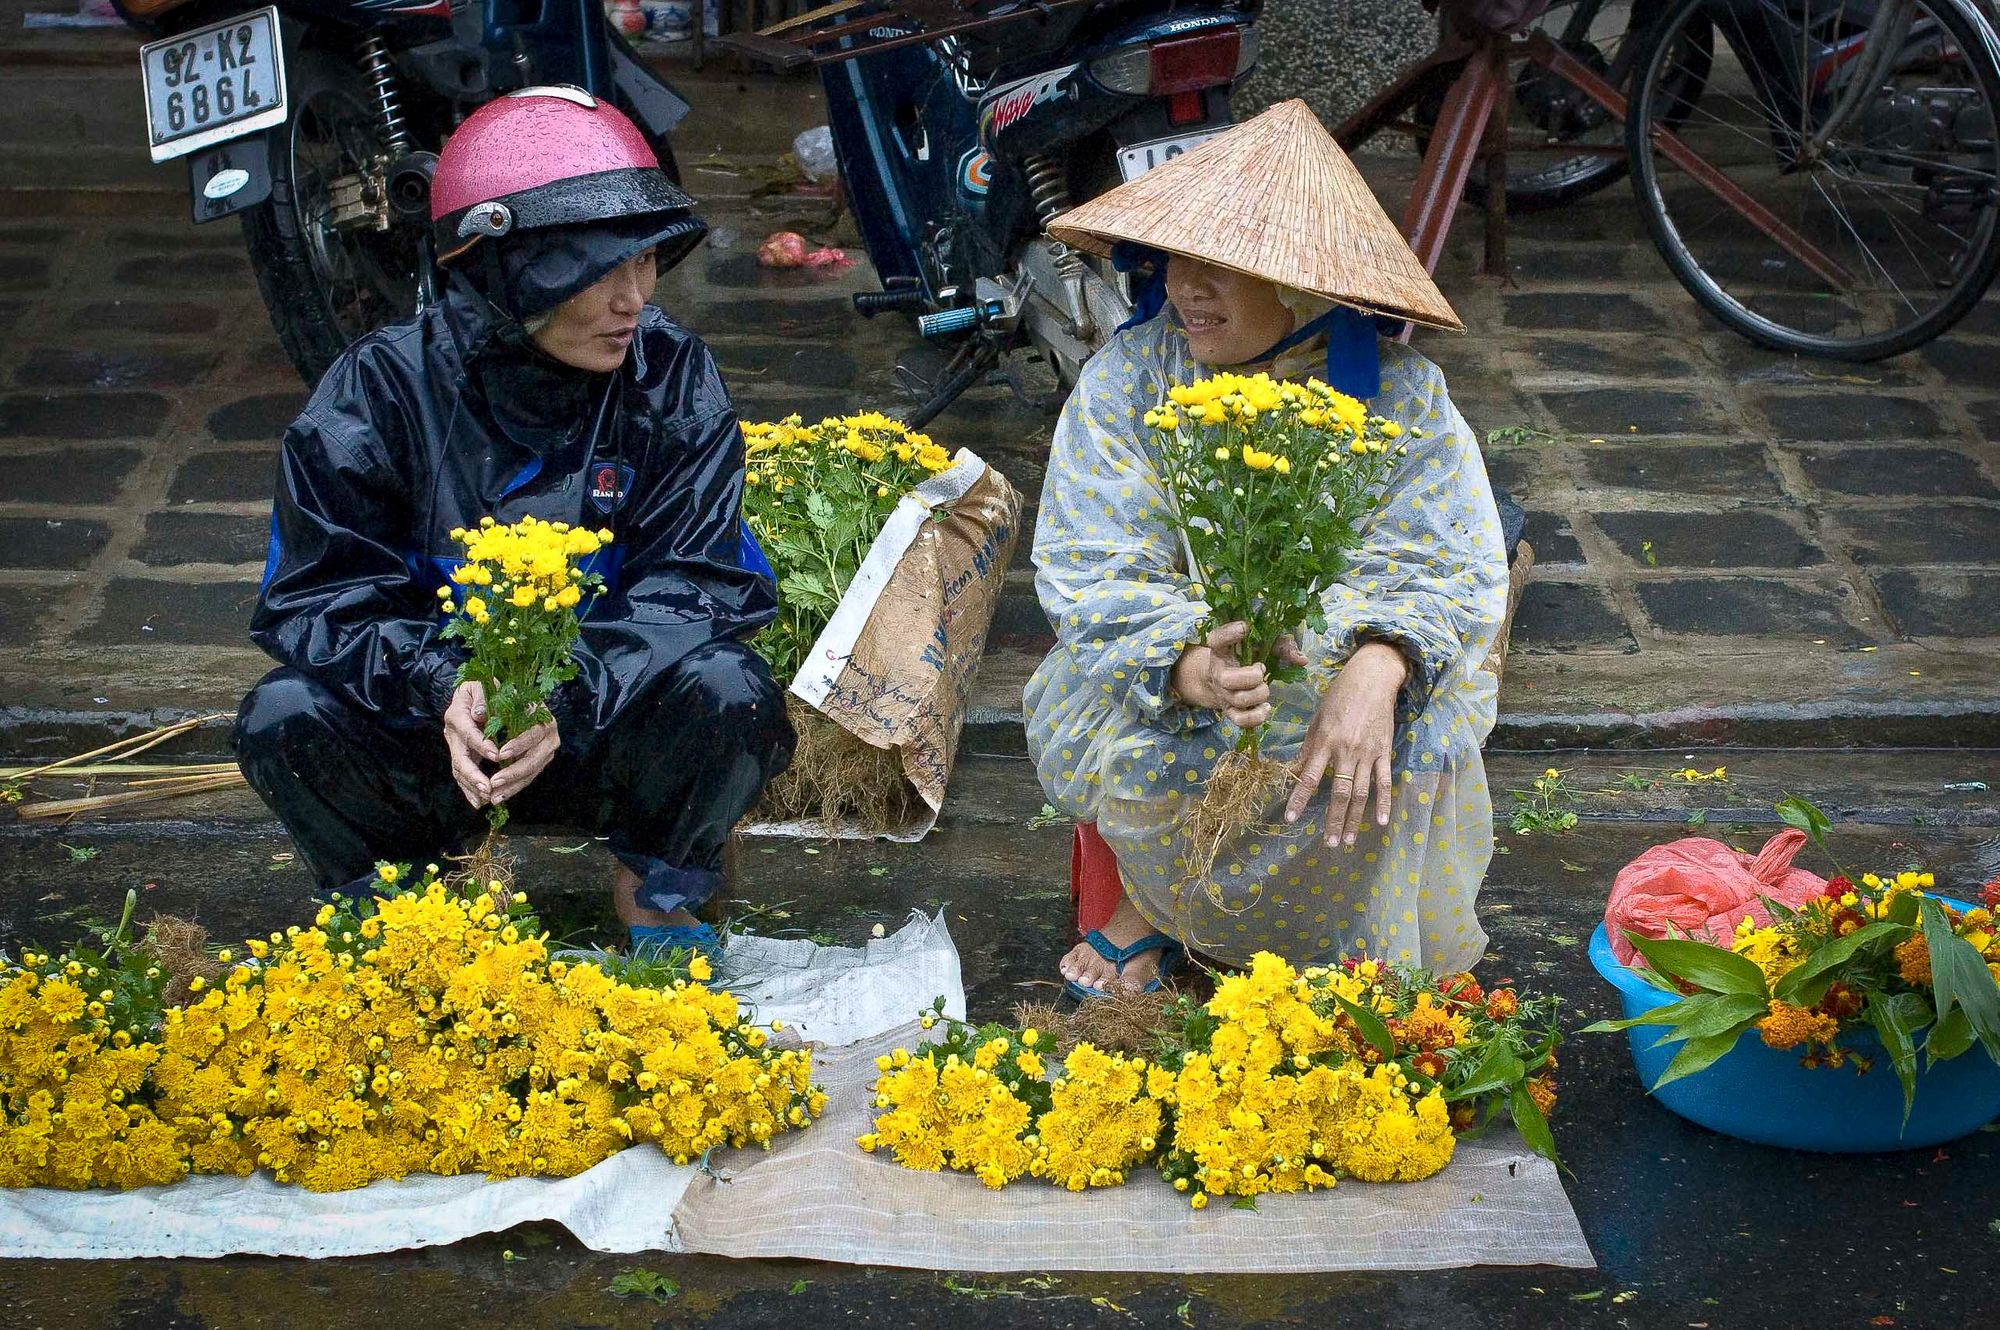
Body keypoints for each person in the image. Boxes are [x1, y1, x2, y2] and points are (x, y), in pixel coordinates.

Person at [234, 88, 792, 961]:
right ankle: (403, 901)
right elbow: (316, 599)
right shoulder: (376, 393)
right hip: (442, 741)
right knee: (282, 715)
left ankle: (658, 892)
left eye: (646, 264)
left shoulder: (669, 374)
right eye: (602, 270)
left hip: (600, 730)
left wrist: (568, 693)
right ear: (507, 268)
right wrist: (438, 683)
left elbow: (701, 581)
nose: (635, 299)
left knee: (732, 694)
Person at [1024, 100, 1510, 997]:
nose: (1184, 288)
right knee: (1183, 730)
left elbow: (1448, 565)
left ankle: (1354, 944)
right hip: (1180, 667)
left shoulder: (1402, 399)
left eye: (1224, 269)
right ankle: (1155, 906)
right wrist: (1184, 661)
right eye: (1178, 260)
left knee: (1383, 736)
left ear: (1304, 284)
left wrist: (1381, 660)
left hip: (1342, 663)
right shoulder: (1131, 380)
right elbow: (1091, 559)